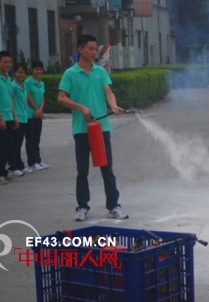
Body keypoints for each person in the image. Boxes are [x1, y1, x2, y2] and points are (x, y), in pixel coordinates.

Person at [58, 34, 128, 221]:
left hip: (101, 128)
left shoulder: (100, 72)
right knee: (82, 170)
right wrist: (80, 107)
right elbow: (61, 97)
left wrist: (113, 105)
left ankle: (113, 206)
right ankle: (82, 207)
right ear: (80, 49)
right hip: (81, 129)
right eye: (90, 48)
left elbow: (108, 91)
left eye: (95, 48)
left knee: (107, 168)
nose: (93, 52)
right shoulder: (70, 73)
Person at [0, 51, 19, 185]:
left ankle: (4, 172)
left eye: (9, 62)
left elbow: (11, 99)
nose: (7, 64)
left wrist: (15, 116)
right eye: (4, 62)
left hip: (9, 116)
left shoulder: (8, 78)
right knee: (2, 146)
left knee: (9, 146)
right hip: (0, 118)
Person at [25, 60, 49, 171]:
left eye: (40, 69)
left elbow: (43, 97)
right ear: (32, 70)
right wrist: (36, 109)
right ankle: (32, 162)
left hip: (38, 114)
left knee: (37, 139)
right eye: (36, 69)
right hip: (31, 114)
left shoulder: (41, 82)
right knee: (31, 139)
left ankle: (38, 160)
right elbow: (28, 97)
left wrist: (40, 110)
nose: (38, 71)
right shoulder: (28, 82)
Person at [8, 63, 32, 176]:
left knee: (19, 144)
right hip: (16, 118)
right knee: (13, 144)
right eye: (19, 72)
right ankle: (13, 166)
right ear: (15, 73)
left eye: (23, 72)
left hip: (24, 117)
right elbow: (11, 101)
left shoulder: (23, 85)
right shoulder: (13, 86)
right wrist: (15, 116)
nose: (21, 74)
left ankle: (20, 165)